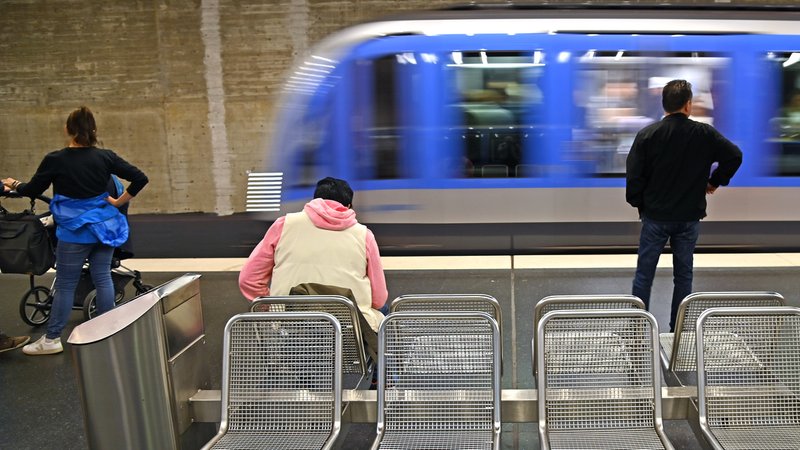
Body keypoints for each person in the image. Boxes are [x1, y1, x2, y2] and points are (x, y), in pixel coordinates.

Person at [2, 106, 148, 355]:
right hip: (104, 228)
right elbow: (140, 178)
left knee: (66, 284)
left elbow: (32, 189)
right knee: (103, 277)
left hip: (74, 232)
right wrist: (118, 202)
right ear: (94, 130)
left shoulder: (56, 159)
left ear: (67, 129)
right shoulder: (105, 157)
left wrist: (13, 183)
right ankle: (107, 333)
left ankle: (52, 339)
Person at [626, 79, 742, 331]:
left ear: (664, 104)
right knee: (683, 276)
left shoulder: (648, 135)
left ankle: (636, 329)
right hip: (689, 218)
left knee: (644, 275)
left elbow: (634, 177)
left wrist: (641, 204)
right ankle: (677, 329)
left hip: (655, 218)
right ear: (688, 105)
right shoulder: (704, 133)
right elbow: (734, 155)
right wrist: (714, 181)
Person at [239, 177, 388, 355]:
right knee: (383, 311)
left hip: (290, 329)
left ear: (315, 200)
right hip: (348, 330)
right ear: (348, 206)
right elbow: (379, 298)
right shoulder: (364, 235)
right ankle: (382, 373)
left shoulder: (284, 225)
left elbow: (248, 280)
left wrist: (269, 306)